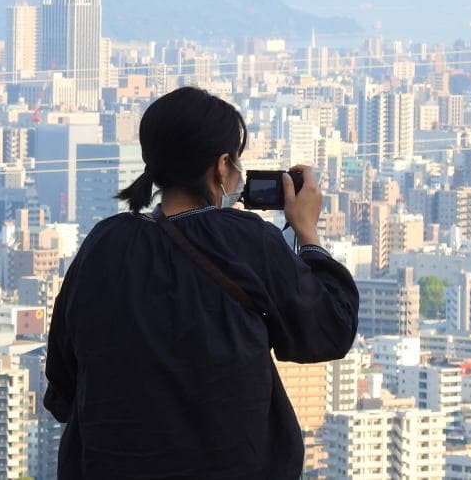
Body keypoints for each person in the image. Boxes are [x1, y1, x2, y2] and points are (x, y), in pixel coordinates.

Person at [45, 86, 359, 479]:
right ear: (222, 166)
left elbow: (62, 381)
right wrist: (307, 232)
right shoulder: (245, 241)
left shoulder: (104, 245)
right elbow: (330, 329)